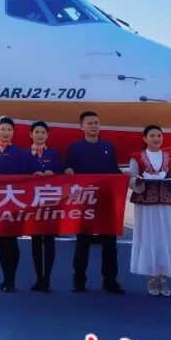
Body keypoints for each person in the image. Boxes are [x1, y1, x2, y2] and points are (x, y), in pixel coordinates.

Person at [65, 110, 125, 294]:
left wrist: (126, 177)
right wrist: (67, 171)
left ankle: (110, 281)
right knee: (82, 242)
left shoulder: (108, 147)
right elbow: (68, 168)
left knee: (110, 244)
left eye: (96, 123)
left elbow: (114, 171)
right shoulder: (75, 148)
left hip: (106, 200)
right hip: (85, 201)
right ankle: (78, 281)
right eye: (90, 123)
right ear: (81, 126)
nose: (93, 126)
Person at [127, 125, 171, 297]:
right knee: (147, 237)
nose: (156, 138)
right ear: (144, 138)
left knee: (166, 238)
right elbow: (131, 180)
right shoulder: (137, 158)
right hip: (145, 203)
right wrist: (139, 181)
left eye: (159, 135)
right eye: (152, 135)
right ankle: (151, 277)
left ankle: (163, 277)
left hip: (166, 203)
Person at [0, 116, 31, 293]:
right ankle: (5, 278)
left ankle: (11, 279)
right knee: (0, 242)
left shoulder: (19, 153)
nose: (5, 132)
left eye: (9, 129)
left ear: (13, 132)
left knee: (11, 241)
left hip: (13, 203)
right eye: (2, 129)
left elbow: (25, 176)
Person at [26, 120, 64, 293]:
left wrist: (53, 174)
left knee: (49, 240)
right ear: (31, 134)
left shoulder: (54, 154)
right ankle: (38, 277)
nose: (40, 135)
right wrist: (31, 175)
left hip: (51, 203)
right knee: (35, 241)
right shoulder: (25, 155)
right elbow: (19, 175)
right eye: (37, 132)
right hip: (33, 203)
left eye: (43, 132)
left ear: (47, 135)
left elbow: (63, 176)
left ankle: (47, 278)